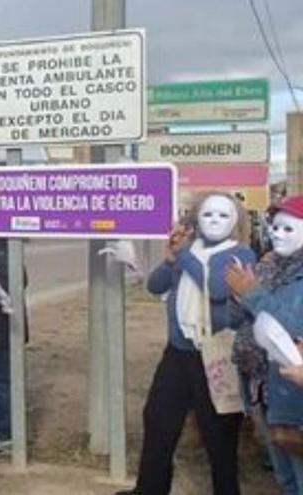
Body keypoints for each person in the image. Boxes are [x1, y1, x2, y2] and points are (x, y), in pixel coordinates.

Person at [118, 192, 256, 495]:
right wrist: (170, 259)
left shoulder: (241, 253)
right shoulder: (188, 250)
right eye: (207, 215)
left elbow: (218, 289)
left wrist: (184, 256)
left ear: (235, 220)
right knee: (157, 419)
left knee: (218, 433)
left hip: (214, 354)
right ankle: (150, 489)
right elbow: (155, 286)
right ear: (197, 219)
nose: (214, 221)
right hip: (178, 353)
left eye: (222, 215)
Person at [227, 196, 303, 493]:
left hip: (294, 396)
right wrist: (238, 294)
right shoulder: (270, 264)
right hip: (263, 386)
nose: (276, 234)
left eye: (288, 228)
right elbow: (241, 321)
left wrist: (253, 294)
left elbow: (292, 329)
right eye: (274, 226)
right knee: (285, 480)